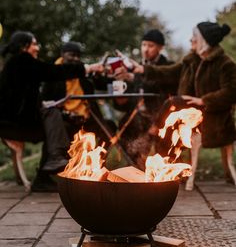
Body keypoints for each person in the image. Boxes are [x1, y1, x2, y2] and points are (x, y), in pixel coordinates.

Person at [132, 22, 236, 182]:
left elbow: (231, 92)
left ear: (204, 41)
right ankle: (165, 170)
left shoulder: (225, 63)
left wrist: (203, 100)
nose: (190, 40)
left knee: (173, 103)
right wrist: (144, 70)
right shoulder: (191, 61)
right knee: (170, 120)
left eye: (194, 37)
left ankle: (155, 132)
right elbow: (170, 72)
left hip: (213, 118)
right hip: (189, 115)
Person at [0, 31, 103, 191]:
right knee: (55, 120)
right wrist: (87, 68)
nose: (37, 47)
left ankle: (44, 175)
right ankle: (52, 162)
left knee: (55, 122)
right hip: (12, 124)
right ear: (24, 46)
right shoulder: (22, 60)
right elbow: (53, 72)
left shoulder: (15, 63)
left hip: (14, 121)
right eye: (34, 44)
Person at [110, 29, 175, 166]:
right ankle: (136, 165)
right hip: (138, 115)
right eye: (144, 45)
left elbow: (155, 86)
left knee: (157, 134)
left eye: (150, 46)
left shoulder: (168, 67)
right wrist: (120, 97)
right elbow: (124, 104)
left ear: (160, 48)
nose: (146, 49)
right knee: (123, 127)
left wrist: (133, 77)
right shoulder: (133, 68)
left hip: (160, 116)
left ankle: (161, 168)